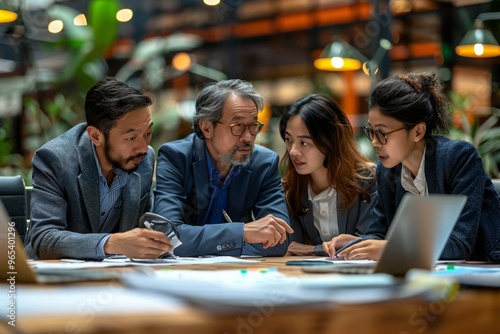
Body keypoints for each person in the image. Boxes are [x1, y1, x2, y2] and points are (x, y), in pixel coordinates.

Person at [323, 72, 500, 263]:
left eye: (382, 133)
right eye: (371, 131)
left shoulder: (458, 158)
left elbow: (459, 246)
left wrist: (389, 248)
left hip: (484, 271)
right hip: (427, 274)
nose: (374, 142)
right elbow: (378, 233)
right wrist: (358, 244)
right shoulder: (387, 171)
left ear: (417, 131)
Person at [25, 76, 172, 260]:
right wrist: (113, 242)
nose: (143, 147)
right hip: (51, 279)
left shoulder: (143, 158)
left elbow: (140, 228)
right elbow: (44, 239)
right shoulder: (55, 159)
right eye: (131, 138)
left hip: (113, 276)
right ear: (95, 136)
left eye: (148, 133)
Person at [153, 79, 293, 257]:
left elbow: (279, 240)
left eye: (253, 126)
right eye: (238, 127)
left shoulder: (264, 163)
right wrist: (241, 234)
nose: (248, 137)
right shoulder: (176, 157)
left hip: (239, 275)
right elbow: (166, 237)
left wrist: (198, 243)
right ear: (206, 128)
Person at [279, 94, 377, 256]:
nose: (293, 151)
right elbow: (292, 248)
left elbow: (368, 244)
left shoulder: (368, 179)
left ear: (330, 141)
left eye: (304, 142)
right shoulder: (290, 188)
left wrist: (313, 250)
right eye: (289, 140)